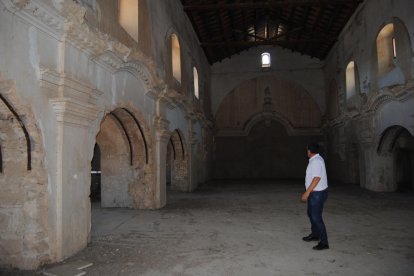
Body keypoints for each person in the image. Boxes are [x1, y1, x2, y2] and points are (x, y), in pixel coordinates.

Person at [301, 143, 329, 250]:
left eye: (307, 150)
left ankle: (324, 242)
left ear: (310, 151)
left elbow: (316, 178)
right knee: (311, 214)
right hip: (315, 193)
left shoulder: (316, 162)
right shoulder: (315, 159)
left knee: (316, 217)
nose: (306, 151)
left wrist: (307, 193)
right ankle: (315, 234)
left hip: (317, 193)